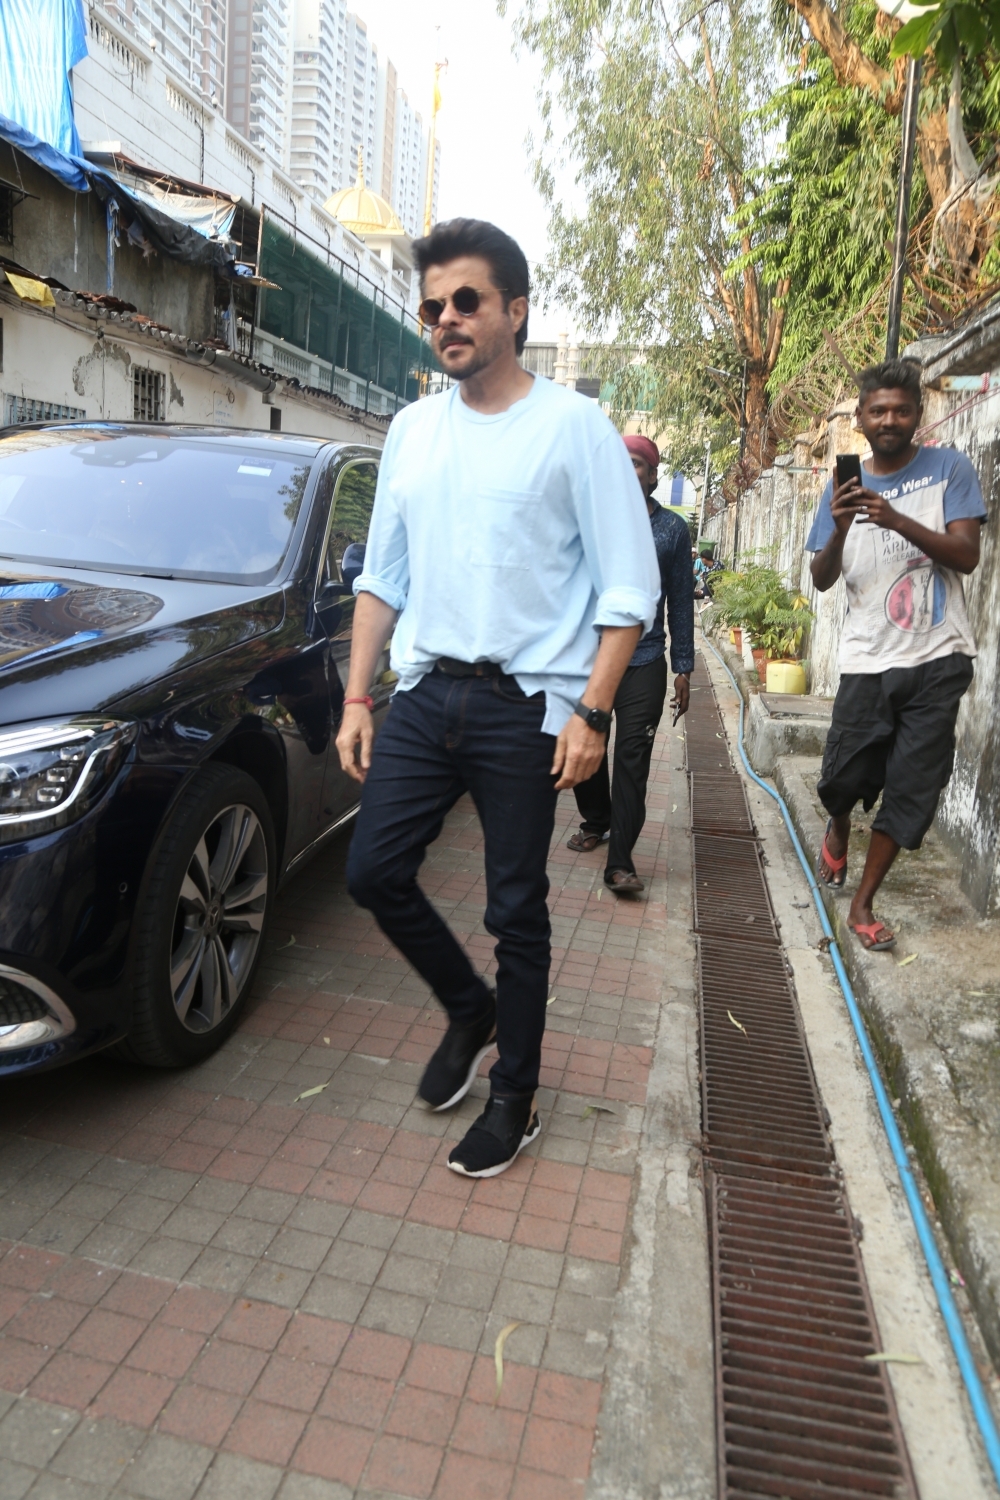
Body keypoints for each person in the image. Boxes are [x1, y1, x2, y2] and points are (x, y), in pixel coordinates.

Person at [335, 219, 659, 1178]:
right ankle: (466, 1006)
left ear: (516, 310)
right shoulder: (411, 430)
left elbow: (626, 588)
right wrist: (359, 695)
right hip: (429, 695)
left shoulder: (573, 429)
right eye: (432, 305)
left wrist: (594, 712)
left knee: (516, 909)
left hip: (529, 704)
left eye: (466, 300)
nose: (446, 319)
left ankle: (515, 1093)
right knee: (373, 872)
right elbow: (382, 577)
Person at [806, 357, 985, 951]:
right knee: (841, 778)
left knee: (912, 790)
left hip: (938, 658)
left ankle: (863, 903)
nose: (889, 419)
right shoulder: (841, 486)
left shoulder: (949, 468)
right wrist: (838, 528)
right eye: (877, 410)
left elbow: (965, 555)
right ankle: (837, 827)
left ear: (918, 414)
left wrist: (897, 520)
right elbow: (824, 579)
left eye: (901, 410)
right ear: (859, 418)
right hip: (866, 660)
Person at [567, 435, 695, 892]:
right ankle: (596, 819)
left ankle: (620, 863)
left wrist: (683, 666)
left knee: (632, 761)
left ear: (652, 475)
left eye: (637, 464)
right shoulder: (589, 522)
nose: (627, 470)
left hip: (644, 661)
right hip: (590, 660)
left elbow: (681, 601)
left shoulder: (673, 531)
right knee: (588, 746)